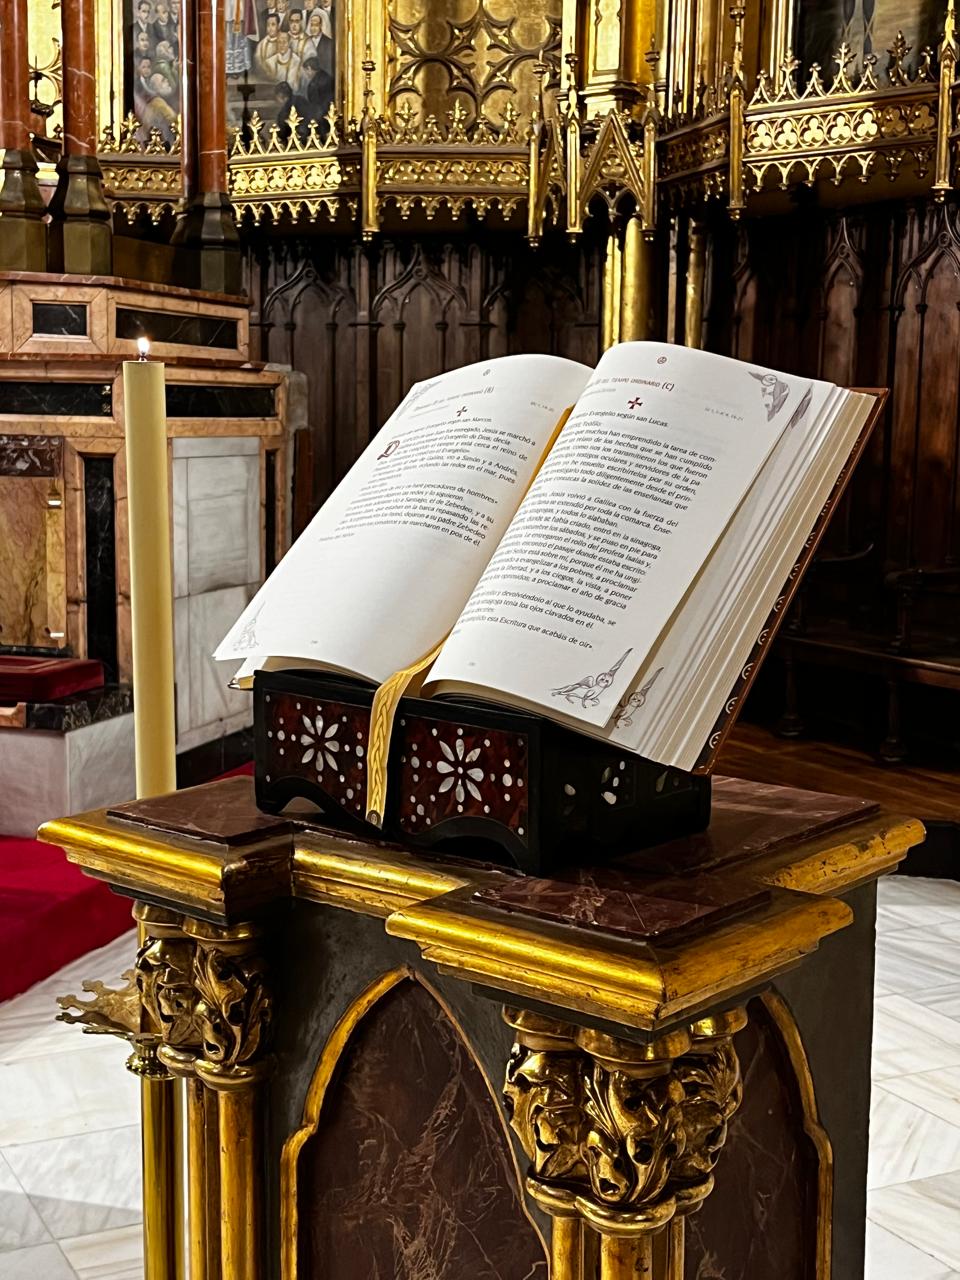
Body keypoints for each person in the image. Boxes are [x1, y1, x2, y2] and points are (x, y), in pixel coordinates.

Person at [255, 11, 280, 77]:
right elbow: (258, 63)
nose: (270, 28)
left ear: (278, 26)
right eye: (268, 25)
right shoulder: (261, 45)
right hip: (264, 77)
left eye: (273, 24)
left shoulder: (284, 41)